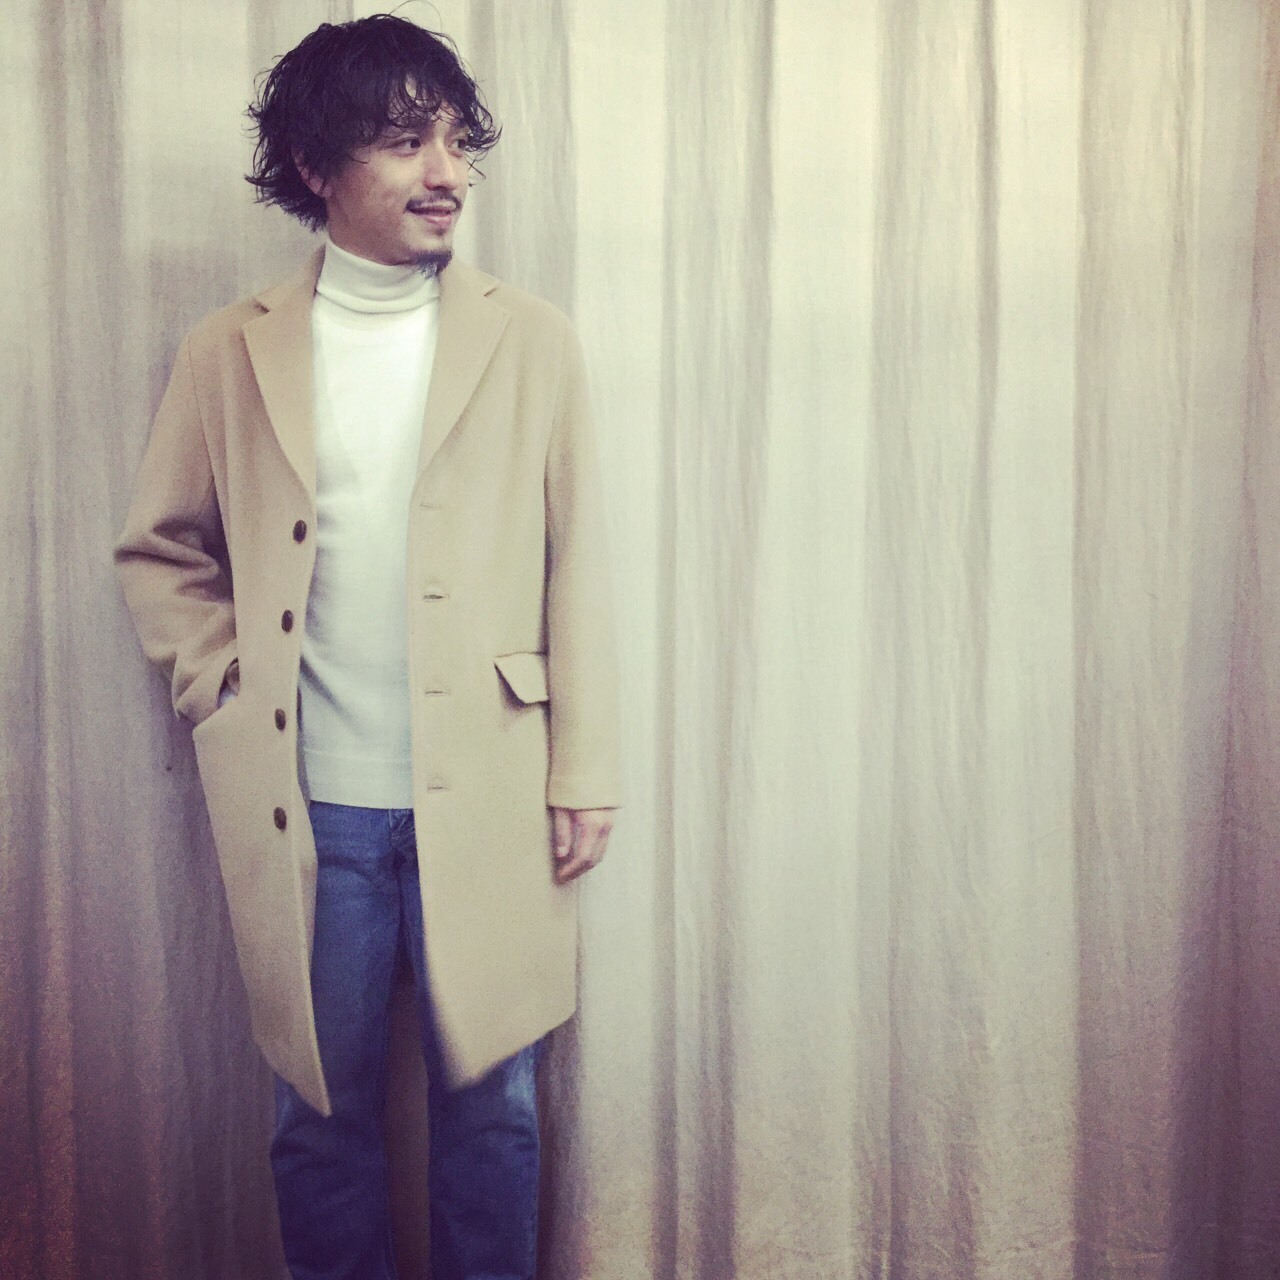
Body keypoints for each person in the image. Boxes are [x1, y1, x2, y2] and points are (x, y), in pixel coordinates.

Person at [114, 15, 619, 1280]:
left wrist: (583, 767)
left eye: (454, 140)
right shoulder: (229, 350)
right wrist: (221, 681)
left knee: (492, 1115)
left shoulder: (532, 339)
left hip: (492, 788)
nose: (445, 172)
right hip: (310, 806)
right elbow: (160, 550)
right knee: (319, 1118)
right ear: (315, 164)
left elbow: (578, 564)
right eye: (404, 141)